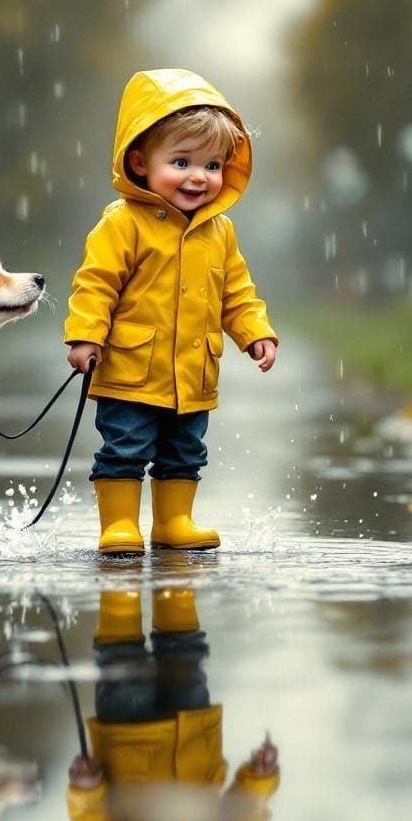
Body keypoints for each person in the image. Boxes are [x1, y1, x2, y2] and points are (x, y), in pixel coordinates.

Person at [64, 68, 278, 554]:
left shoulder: (219, 231)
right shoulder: (123, 223)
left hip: (193, 372)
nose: (199, 177)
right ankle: (118, 524)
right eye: (180, 162)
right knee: (125, 447)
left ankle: (173, 520)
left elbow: (237, 292)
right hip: (130, 369)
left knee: (185, 451)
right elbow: (96, 283)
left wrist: (255, 333)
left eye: (212, 165)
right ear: (140, 163)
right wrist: (86, 336)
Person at [66, 579, 280, 821]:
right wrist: (259, 780)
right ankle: (176, 560)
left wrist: (86, 793)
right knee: (185, 651)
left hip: (128, 745)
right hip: (194, 741)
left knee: (121, 658)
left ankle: (119, 567)